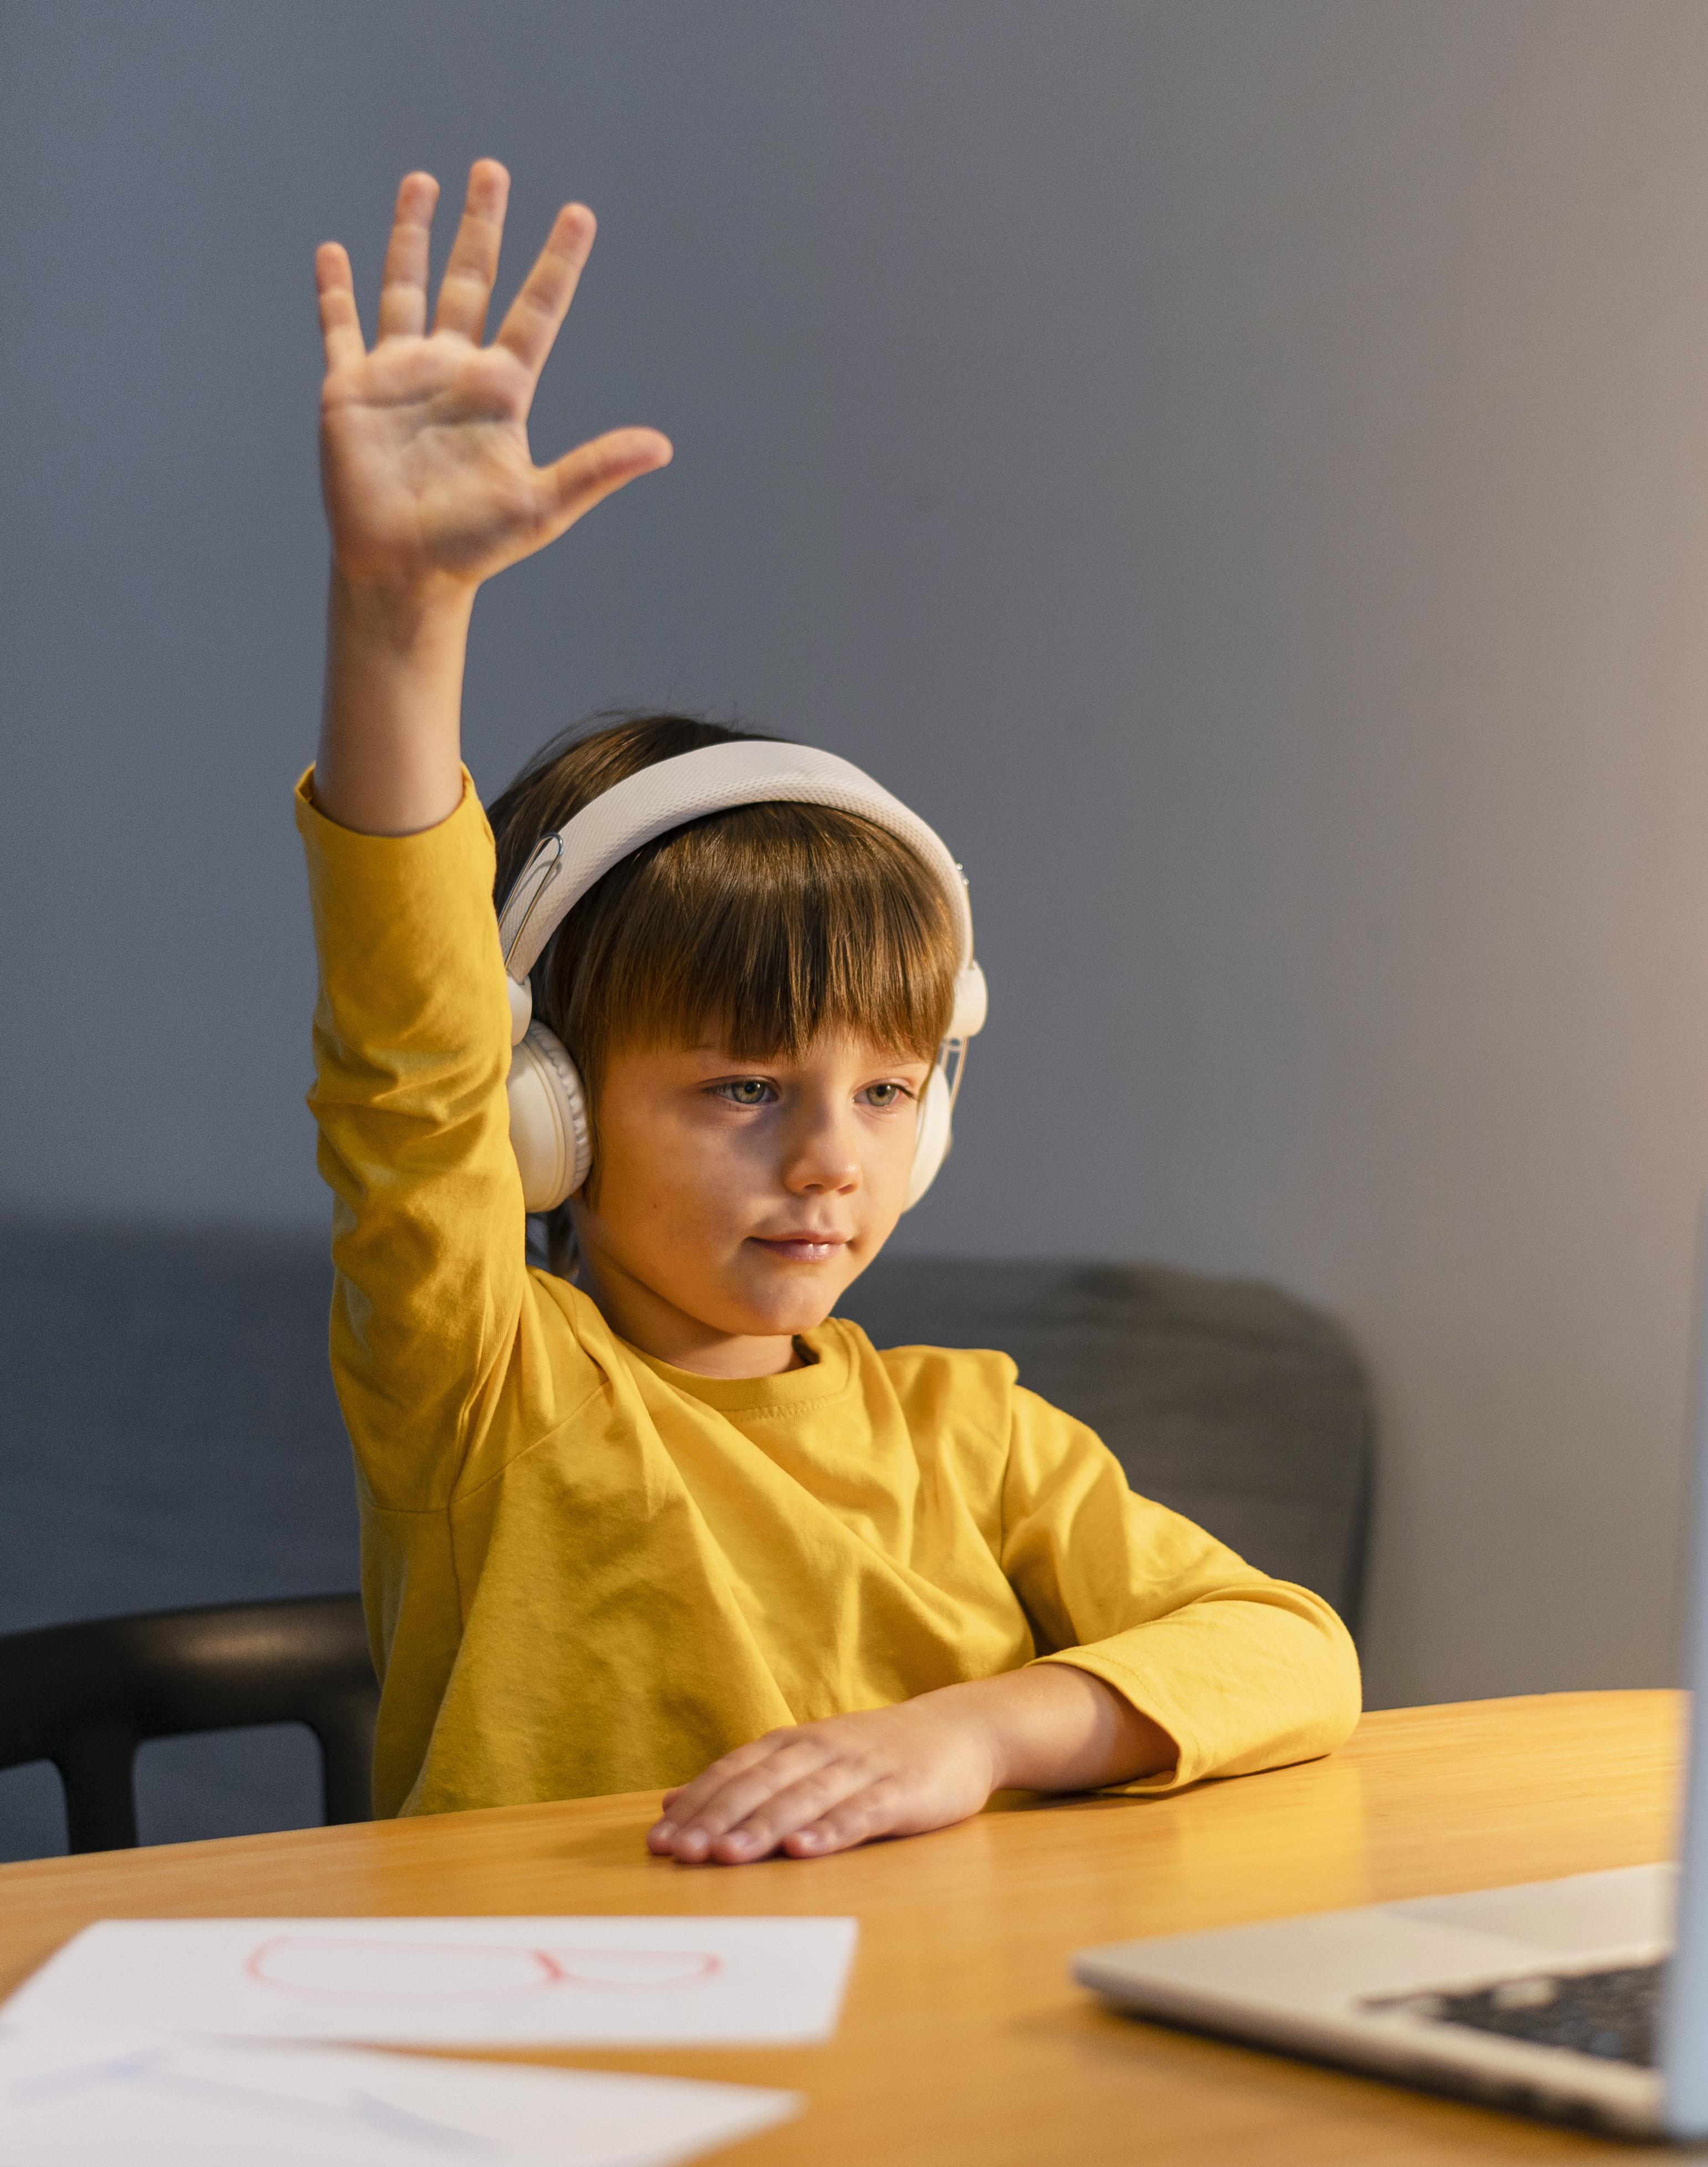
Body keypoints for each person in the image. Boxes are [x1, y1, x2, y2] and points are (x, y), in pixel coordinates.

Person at [302, 158, 1360, 1865]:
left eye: (886, 1092)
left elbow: (1292, 1652)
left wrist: (974, 1733)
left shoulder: (977, 1435)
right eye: (739, 1090)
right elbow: (405, 1061)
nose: (827, 1162)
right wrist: (401, 620)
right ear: (543, 1107)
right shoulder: (488, 1381)